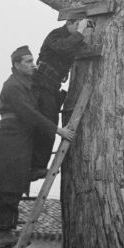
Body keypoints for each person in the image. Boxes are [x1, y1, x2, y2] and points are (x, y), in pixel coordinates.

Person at [0, 45, 75, 248]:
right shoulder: (13, 85)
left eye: (33, 60)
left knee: (14, 180)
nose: (33, 65)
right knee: (10, 183)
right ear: (17, 64)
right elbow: (28, 113)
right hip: (11, 134)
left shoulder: (27, 82)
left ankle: (4, 230)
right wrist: (58, 130)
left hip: (20, 134)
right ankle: (3, 232)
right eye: (28, 61)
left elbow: (40, 103)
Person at [30, 18, 89, 176]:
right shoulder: (55, 35)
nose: (79, 29)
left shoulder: (71, 39)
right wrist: (80, 32)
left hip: (52, 87)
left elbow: (83, 49)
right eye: (77, 25)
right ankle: (35, 167)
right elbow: (63, 47)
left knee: (49, 124)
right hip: (40, 84)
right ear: (69, 23)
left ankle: (37, 166)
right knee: (46, 124)